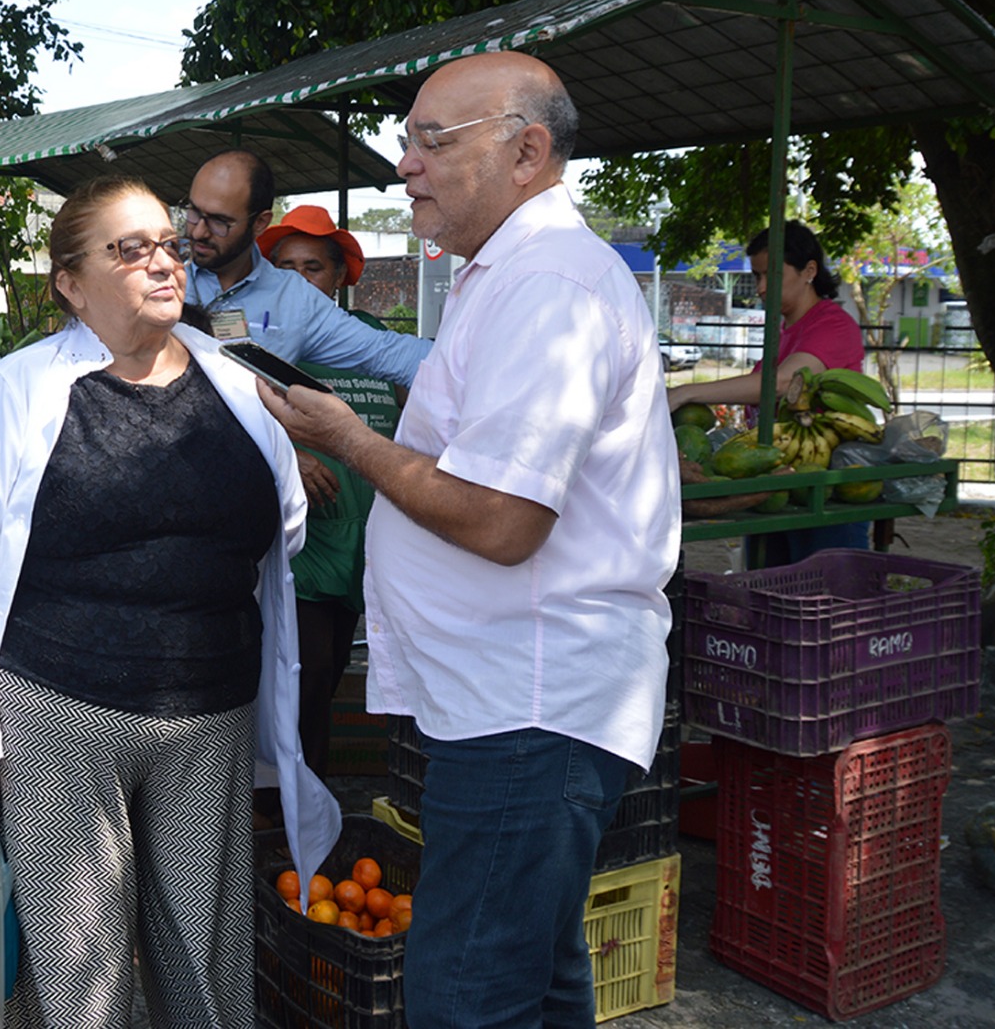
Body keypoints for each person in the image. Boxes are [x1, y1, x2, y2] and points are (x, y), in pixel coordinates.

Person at [256, 52, 681, 1027]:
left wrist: (348, 439)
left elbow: (500, 520)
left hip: (529, 705)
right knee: (536, 977)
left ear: (527, 150)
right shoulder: (504, 279)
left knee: (461, 998)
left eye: (429, 140)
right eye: (407, 140)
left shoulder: (550, 289)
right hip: (507, 700)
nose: (403, 164)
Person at [0, 175, 339, 1028]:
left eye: (169, 244)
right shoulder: (23, 391)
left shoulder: (237, 381)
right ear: (71, 283)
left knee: (207, 967)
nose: (163, 263)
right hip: (59, 716)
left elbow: (282, 528)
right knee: (83, 984)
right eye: (130, 249)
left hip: (207, 716)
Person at [257, 205, 401, 781]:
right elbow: (230, 410)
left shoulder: (371, 338)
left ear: (339, 276)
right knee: (304, 672)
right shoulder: (268, 342)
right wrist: (288, 449)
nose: (298, 281)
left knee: (331, 668)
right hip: (303, 542)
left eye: (312, 267)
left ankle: (301, 811)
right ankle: (283, 807)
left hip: (364, 537)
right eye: (284, 267)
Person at [667, 220, 868, 564]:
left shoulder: (833, 325)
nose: (760, 288)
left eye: (768, 276)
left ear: (809, 271)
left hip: (820, 494)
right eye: (757, 276)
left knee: (825, 600)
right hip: (777, 487)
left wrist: (688, 392)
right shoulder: (782, 329)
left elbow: (785, 382)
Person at [183, 149, 432, 386]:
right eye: (193, 212)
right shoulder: (160, 274)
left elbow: (388, 353)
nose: (198, 231)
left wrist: (466, 359)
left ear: (260, 223)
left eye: (219, 222)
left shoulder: (295, 300)